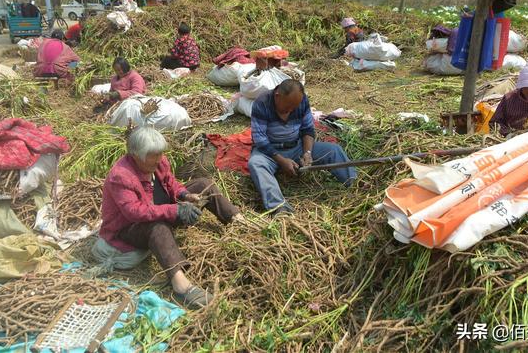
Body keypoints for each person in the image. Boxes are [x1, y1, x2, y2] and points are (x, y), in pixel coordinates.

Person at [95, 126, 242, 308]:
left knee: (205, 185)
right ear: (135, 156)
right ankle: (181, 284)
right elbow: (135, 212)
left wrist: (185, 196)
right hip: (129, 228)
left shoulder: (159, 162)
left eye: (160, 154)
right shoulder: (121, 177)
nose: (159, 159)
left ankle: (238, 221)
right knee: (158, 227)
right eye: (153, 155)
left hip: (159, 209)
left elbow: (170, 183)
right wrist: (175, 211)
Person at [248, 79, 356, 216]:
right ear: (277, 96)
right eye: (287, 107)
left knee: (333, 150)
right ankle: (279, 207)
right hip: (270, 152)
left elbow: (308, 130)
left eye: (294, 107)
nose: (291, 110)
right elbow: (260, 140)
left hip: (296, 147)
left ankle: (353, 183)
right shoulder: (262, 103)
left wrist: (308, 152)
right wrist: (282, 161)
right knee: (256, 164)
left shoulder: (302, 101)